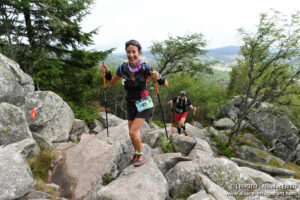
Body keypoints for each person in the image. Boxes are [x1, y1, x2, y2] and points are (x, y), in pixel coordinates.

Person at [100, 39, 168, 167]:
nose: (131, 55)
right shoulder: (123, 68)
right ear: (126, 53)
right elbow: (112, 82)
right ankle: (136, 153)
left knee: (132, 132)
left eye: (134, 52)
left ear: (139, 52)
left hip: (144, 104)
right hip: (130, 104)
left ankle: (141, 155)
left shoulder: (145, 68)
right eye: (128, 52)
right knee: (132, 132)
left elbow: (165, 84)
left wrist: (158, 77)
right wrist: (107, 72)